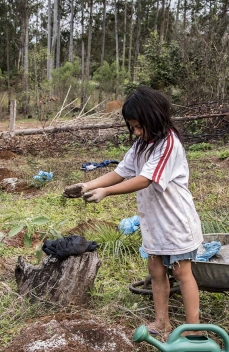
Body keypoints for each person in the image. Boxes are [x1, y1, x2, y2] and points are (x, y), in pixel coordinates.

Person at [65, 86, 203, 336]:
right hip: (154, 221)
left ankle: (194, 330)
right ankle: (161, 323)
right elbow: (120, 172)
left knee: (182, 273)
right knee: (156, 271)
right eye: (133, 127)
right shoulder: (142, 144)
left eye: (139, 126)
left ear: (155, 118)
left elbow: (144, 180)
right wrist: (87, 185)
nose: (137, 132)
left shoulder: (168, 144)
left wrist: (106, 192)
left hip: (176, 221)